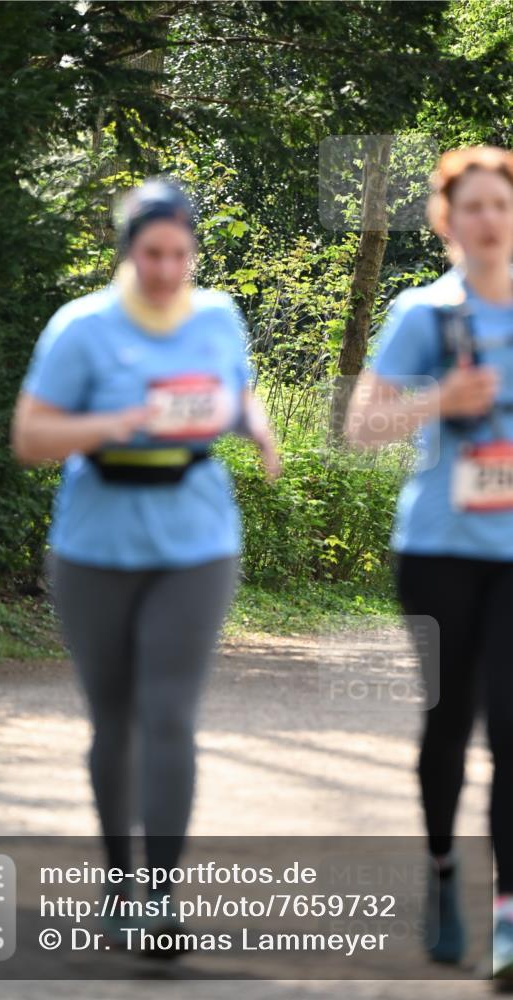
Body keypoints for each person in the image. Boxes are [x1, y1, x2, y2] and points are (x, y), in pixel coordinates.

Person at [11, 176, 281, 956]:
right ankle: (118, 881)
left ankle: (158, 898)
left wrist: (257, 430)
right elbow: (30, 438)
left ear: (192, 251)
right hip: (94, 545)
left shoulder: (220, 316)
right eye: (151, 253)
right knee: (114, 719)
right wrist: (117, 421)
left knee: (168, 712)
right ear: (128, 251)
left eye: (179, 254)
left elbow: (241, 392)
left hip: (196, 540)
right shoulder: (82, 329)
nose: (166, 269)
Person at [345, 146, 513, 981]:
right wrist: (437, 401)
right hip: (440, 549)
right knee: (450, 721)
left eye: (501, 205)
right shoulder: (425, 314)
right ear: (447, 221)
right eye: (472, 206)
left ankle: (508, 915)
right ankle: (444, 873)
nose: (488, 220)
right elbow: (361, 427)